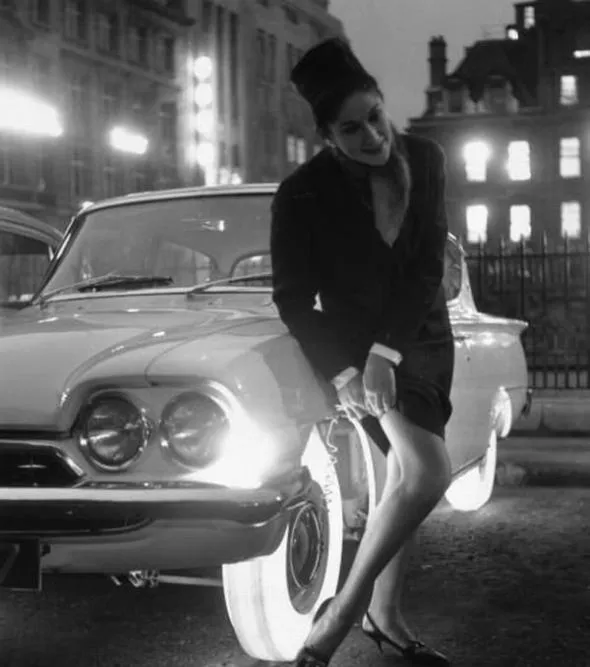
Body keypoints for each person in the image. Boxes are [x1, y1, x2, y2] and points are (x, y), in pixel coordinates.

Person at [270, 38, 455, 667]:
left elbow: (426, 265)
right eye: (351, 129)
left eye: (375, 116)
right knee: (425, 473)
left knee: (404, 479)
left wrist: (387, 352)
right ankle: (346, 613)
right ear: (327, 136)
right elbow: (294, 299)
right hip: (355, 346)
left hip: (420, 335)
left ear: (382, 103)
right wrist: (348, 369)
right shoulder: (301, 193)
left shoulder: (424, 158)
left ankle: (385, 615)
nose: (373, 136)